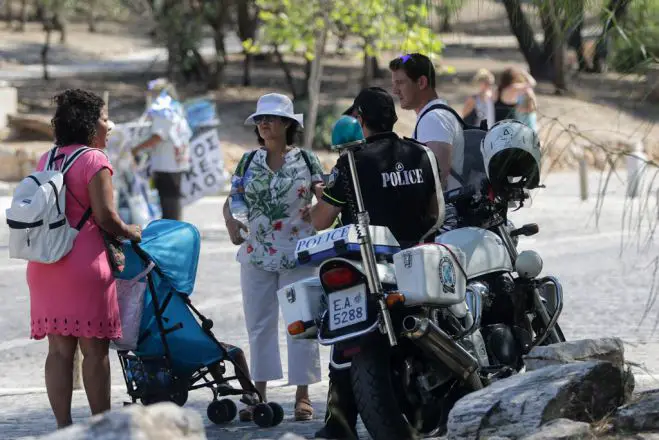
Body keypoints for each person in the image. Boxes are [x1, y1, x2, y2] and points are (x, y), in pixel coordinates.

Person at [311, 87, 445, 439]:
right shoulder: (421, 154)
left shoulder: (352, 162)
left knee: (345, 328)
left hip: (368, 262)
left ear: (360, 120)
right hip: (416, 257)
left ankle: (338, 423)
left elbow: (320, 220)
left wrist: (318, 196)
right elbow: (435, 211)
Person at [27, 89, 142, 428]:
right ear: (92, 126)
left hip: (46, 264)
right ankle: (99, 425)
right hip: (84, 263)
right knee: (95, 352)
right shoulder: (94, 160)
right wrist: (131, 231)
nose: (110, 126)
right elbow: (106, 217)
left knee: (59, 352)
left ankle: (63, 427)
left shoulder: (45, 160)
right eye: (106, 119)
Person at [222, 92, 324, 421]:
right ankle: (259, 394)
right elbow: (233, 199)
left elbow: (328, 199)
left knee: (301, 323)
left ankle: (303, 394)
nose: (264, 124)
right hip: (256, 253)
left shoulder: (307, 161)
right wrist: (230, 223)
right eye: (260, 120)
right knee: (259, 325)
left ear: (288, 124)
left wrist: (322, 210)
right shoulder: (247, 161)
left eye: (271, 118)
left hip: (299, 254)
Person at [389, 53, 465, 192]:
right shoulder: (436, 115)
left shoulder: (434, 119)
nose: (394, 91)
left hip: (447, 211)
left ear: (421, 82)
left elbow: (437, 179)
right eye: (393, 84)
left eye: (400, 82)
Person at [132, 78, 192, 220]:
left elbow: (157, 137)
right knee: (173, 200)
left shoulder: (162, 110)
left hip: (166, 164)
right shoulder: (175, 108)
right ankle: (174, 228)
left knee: (168, 202)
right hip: (176, 161)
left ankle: (171, 231)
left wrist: (136, 149)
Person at [494, 67, 538, 132]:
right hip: (509, 121)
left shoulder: (498, 89)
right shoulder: (513, 88)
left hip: (497, 120)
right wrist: (525, 74)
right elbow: (532, 83)